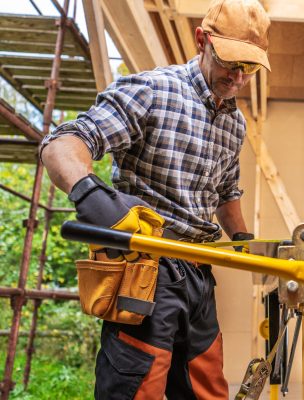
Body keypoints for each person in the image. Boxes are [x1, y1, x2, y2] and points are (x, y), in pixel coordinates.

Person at [39, 0, 270, 398]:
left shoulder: (234, 122)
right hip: (146, 269)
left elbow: (225, 192)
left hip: (200, 273)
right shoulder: (151, 91)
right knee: (137, 389)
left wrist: (249, 246)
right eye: (231, 61)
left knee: (206, 391)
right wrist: (88, 192)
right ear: (202, 40)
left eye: (249, 67)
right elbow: (63, 143)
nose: (238, 76)